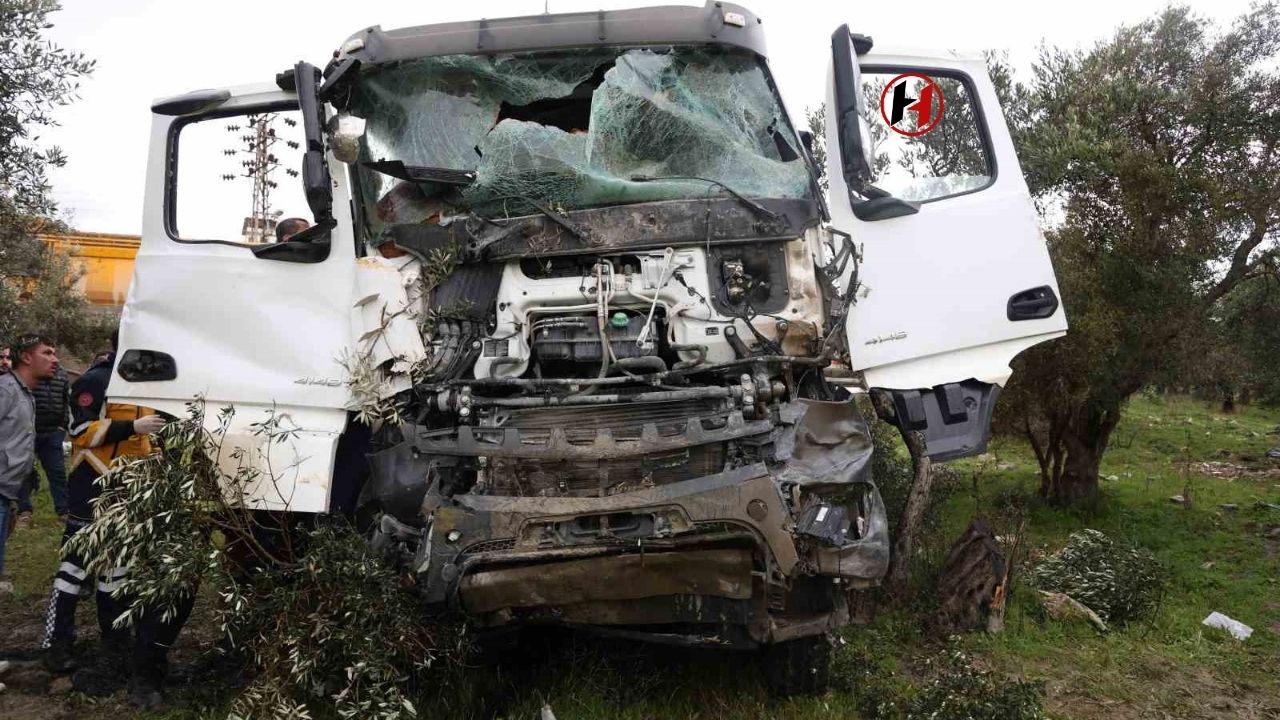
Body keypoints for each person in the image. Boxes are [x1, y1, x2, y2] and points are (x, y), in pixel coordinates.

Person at [39, 331, 183, 708]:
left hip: (131, 490)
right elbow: (79, 430)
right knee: (75, 568)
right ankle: (57, 642)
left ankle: (115, 639)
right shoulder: (97, 379)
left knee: (118, 567)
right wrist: (129, 428)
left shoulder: (152, 384)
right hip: (92, 481)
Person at [0, 335, 59, 593]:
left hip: (8, 488)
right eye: (47, 353)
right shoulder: (5, 390)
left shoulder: (26, 393)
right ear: (25, 357)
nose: (55, 360)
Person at [14, 363, 72, 528]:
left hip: (53, 433)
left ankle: (63, 512)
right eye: (47, 353)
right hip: (28, 433)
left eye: (53, 352)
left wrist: (63, 425)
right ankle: (23, 512)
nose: (51, 358)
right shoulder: (28, 374)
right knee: (24, 472)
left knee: (57, 472)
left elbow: (66, 402)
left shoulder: (62, 375)